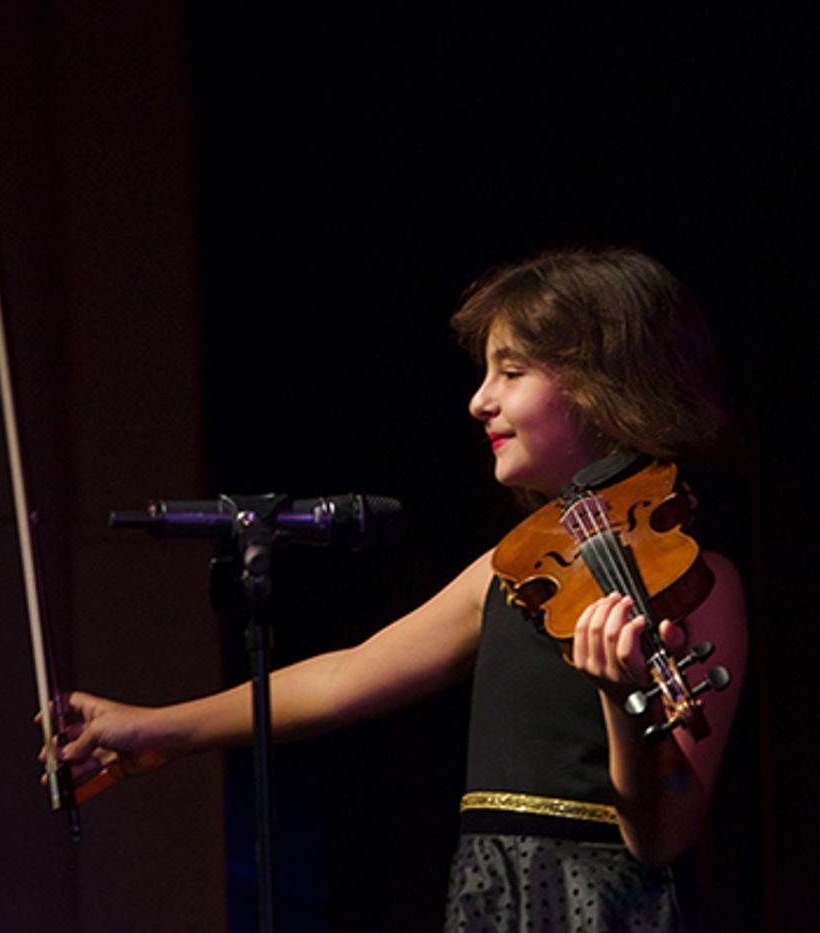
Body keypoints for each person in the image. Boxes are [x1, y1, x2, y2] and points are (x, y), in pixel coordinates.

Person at [46, 247, 750, 931]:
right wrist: (152, 729)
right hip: (493, 888)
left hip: (605, 907)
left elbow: (662, 837)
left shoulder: (701, 581)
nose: (480, 401)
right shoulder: (517, 567)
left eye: (511, 371)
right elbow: (345, 677)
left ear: (605, 384)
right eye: (485, 373)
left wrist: (620, 700)